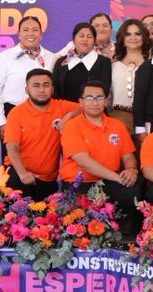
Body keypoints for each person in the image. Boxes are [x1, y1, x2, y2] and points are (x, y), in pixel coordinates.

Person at [58, 80, 141, 237]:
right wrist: (117, 177)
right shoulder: (72, 126)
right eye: (89, 98)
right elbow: (84, 162)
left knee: (133, 190)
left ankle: (120, 234)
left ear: (106, 101)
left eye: (99, 97)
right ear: (81, 102)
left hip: (110, 181)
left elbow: (128, 155)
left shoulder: (117, 125)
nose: (95, 102)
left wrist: (131, 169)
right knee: (80, 219)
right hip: (79, 182)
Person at [0, 14, 57, 163]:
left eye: (35, 30)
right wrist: (2, 122)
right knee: (12, 165)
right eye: (25, 30)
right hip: (13, 115)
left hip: (44, 117)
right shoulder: (5, 57)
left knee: (42, 161)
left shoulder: (51, 58)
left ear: (41, 34)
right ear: (19, 34)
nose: (30, 33)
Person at [3, 69, 79, 200]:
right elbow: (11, 147)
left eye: (46, 85)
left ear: (52, 89)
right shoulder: (17, 113)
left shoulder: (62, 107)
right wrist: (23, 173)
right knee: (15, 213)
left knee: (47, 213)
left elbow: (88, 107)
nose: (42, 90)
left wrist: (70, 115)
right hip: (20, 176)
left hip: (48, 180)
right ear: (27, 90)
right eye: (36, 85)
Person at [110, 18, 152, 141]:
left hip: (146, 119)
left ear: (144, 37)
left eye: (137, 34)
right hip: (118, 117)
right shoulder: (112, 62)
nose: (133, 38)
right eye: (128, 34)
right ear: (122, 38)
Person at [53, 21, 113, 103]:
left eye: (89, 37)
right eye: (81, 36)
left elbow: (103, 93)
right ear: (73, 39)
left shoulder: (104, 63)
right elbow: (55, 91)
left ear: (94, 41)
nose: (85, 39)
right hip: (64, 109)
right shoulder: (62, 62)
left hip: (93, 109)